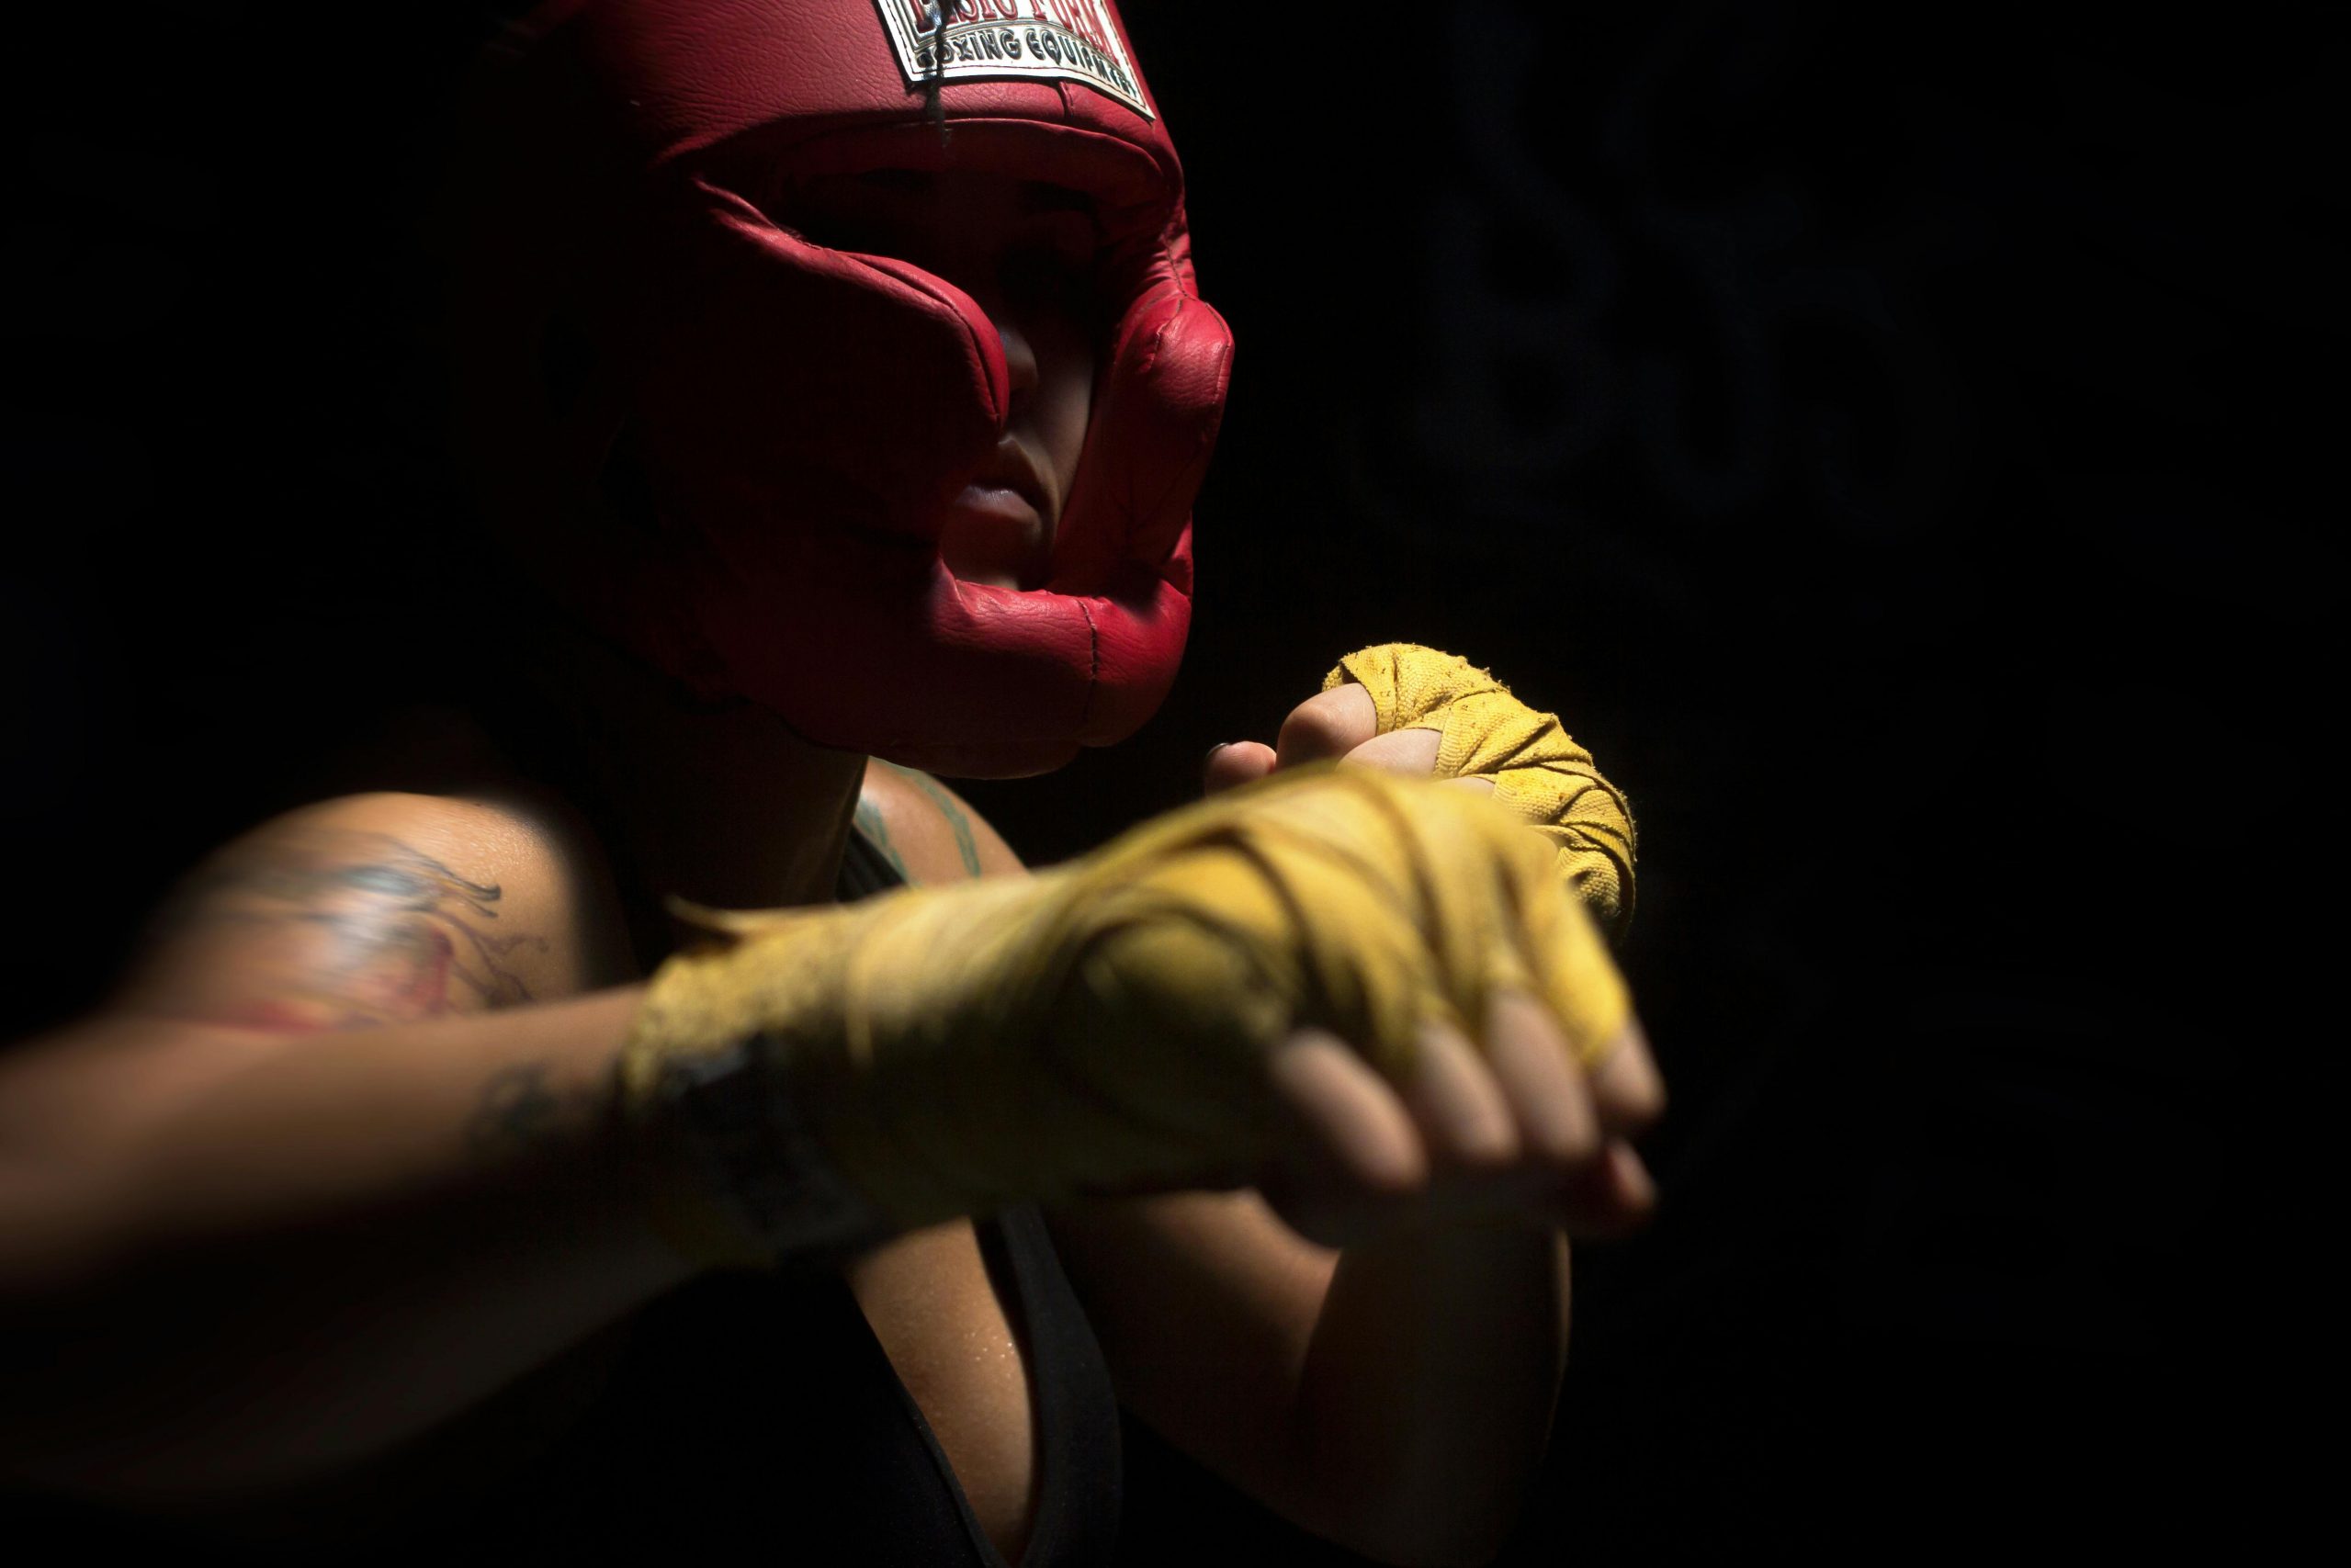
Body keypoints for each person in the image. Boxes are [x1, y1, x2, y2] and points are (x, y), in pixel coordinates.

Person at [0, 3, 1663, 1563]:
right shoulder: (456, 867)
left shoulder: (911, 845)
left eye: (1048, 264)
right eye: (883, 239)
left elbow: (1388, 1468)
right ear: (587, 337)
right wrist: (874, 1057)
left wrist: (1470, 1011)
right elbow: (44, 1260)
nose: (1005, 357)